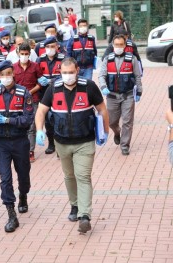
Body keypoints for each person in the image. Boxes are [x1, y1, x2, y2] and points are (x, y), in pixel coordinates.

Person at [35, 57, 109, 234]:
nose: (68, 76)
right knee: (69, 176)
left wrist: (105, 131)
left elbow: (102, 109)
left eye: (71, 72)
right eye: (64, 73)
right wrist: (39, 129)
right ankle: (74, 206)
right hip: (62, 142)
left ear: (77, 70)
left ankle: (85, 216)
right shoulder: (53, 88)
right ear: (60, 72)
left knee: (82, 176)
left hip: (85, 141)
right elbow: (41, 111)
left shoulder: (89, 86)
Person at [0, 60, 34, 232]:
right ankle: (11, 213)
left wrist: (7, 120)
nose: (6, 78)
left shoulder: (24, 93)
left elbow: (27, 120)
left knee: (23, 175)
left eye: (8, 74)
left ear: (13, 74)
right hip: (0, 143)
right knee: (5, 178)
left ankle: (23, 194)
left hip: (20, 140)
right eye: (2, 75)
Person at [98, 34, 142, 155]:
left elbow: (138, 76)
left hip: (128, 95)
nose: (118, 47)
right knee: (111, 121)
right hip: (112, 96)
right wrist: (103, 87)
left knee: (127, 121)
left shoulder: (131, 59)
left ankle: (125, 145)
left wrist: (139, 91)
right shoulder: (108, 59)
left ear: (125, 45)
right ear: (113, 45)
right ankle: (117, 132)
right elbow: (101, 75)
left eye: (121, 44)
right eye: (116, 44)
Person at [13, 43, 49, 162]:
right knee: (19, 124)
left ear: (29, 54)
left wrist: (30, 91)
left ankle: (30, 151)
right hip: (18, 100)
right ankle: (20, 149)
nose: (24, 56)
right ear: (18, 54)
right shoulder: (13, 67)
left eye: (26, 54)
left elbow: (41, 83)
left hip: (32, 99)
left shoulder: (35, 66)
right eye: (22, 54)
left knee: (31, 126)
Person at [36, 37, 65, 154]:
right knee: (47, 120)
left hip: (59, 92)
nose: (50, 49)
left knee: (58, 118)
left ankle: (60, 145)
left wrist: (51, 81)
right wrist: (39, 80)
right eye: (47, 47)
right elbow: (36, 74)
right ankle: (51, 144)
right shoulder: (40, 59)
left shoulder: (63, 59)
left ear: (57, 46)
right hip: (44, 94)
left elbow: (65, 74)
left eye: (52, 46)